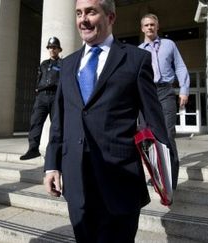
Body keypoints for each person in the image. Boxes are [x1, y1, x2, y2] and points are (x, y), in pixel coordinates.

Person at [43, 1, 174, 242]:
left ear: (111, 17)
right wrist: (52, 164)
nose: (83, 19)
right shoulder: (68, 64)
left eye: (91, 12)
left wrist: (166, 177)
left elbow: (155, 123)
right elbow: (59, 121)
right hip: (76, 182)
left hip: (120, 182)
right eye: (79, 13)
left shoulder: (136, 60)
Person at [139, 13, 190, 187]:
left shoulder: (169, 45)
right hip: (146, 95)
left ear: (157, 26)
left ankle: (171, 181)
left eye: (152, 24)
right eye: (146, 25)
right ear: (142, 28)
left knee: (167, 135)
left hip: (166, 91)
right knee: (148, 137)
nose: (149, 28)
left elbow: (180, 66)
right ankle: (155, 176)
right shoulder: (139, 50)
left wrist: (184, 89)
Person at [20, 37, 63, 160]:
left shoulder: (62, 64)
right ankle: (33, 149)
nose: (51, 50)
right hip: (42, 97)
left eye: (54, 47)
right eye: (50, 47)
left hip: (55, 96)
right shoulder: (44, 64)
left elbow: (61, 82)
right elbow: (39, 80)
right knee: (35, 121)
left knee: (56, 125)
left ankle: (55, 152)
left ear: (59, 49)